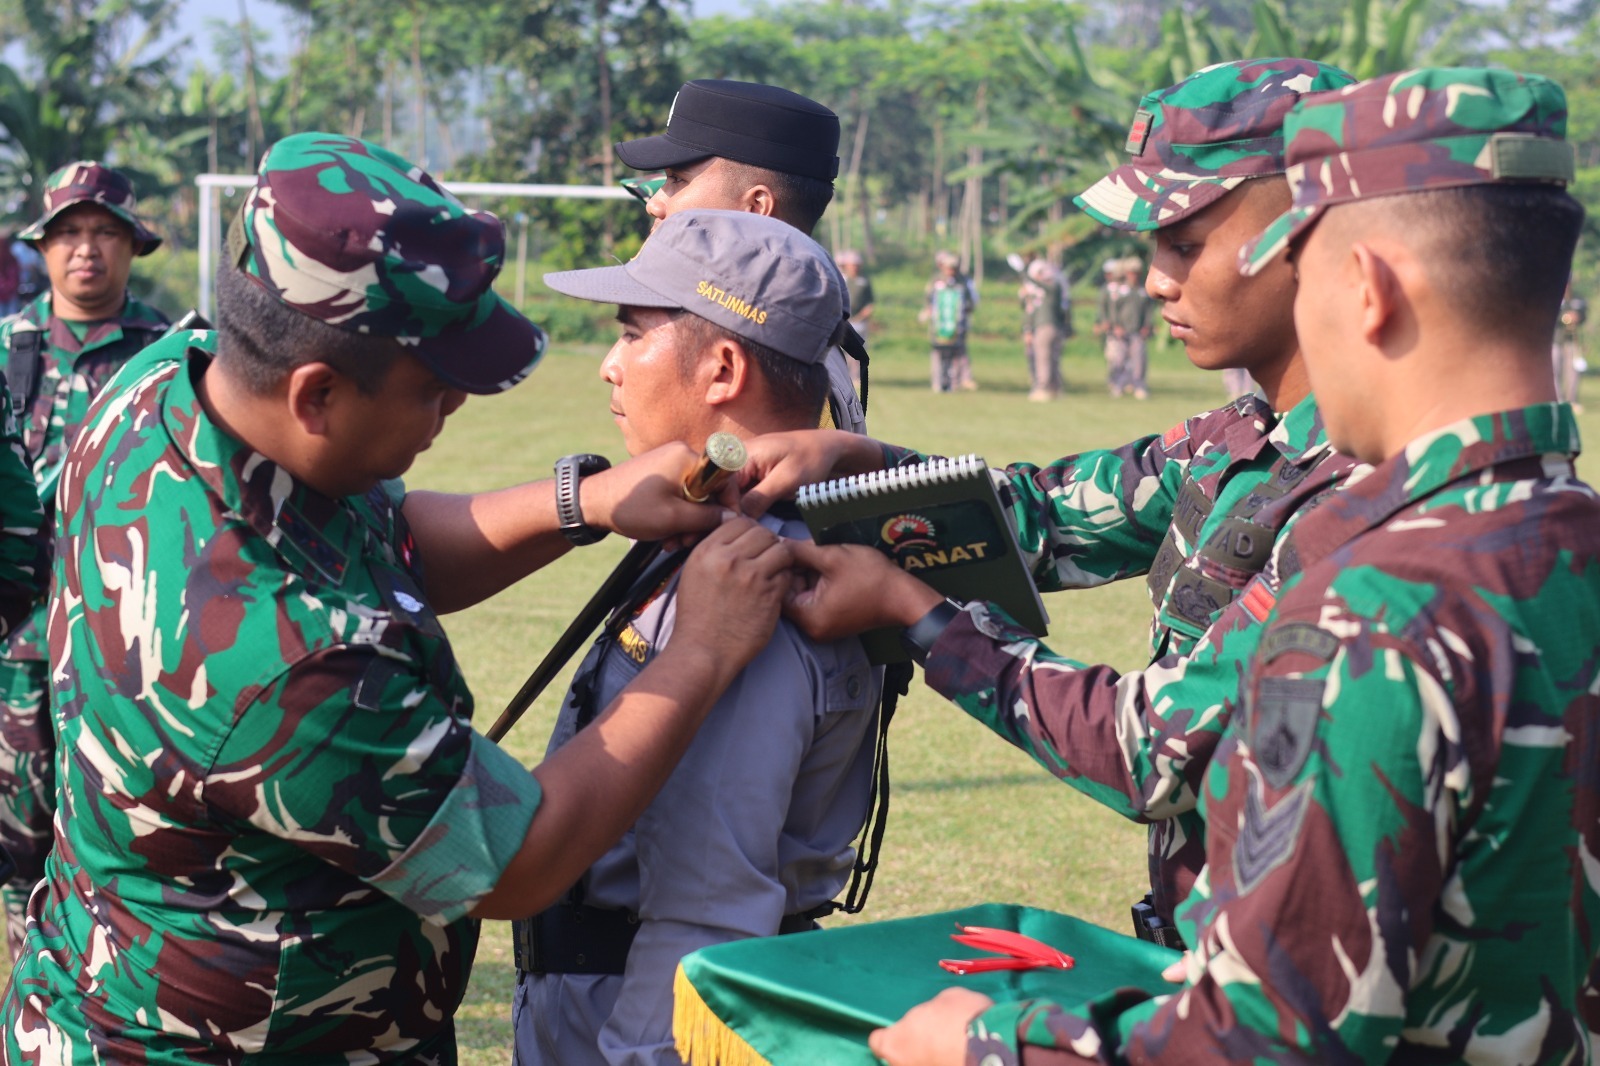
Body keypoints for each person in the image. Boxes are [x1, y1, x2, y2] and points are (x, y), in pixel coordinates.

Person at [0, 133, 797, 1064]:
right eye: (432, 389)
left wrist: (585, 502)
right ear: (317, 395)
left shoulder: (160, 391)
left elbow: (389, 538)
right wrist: (700, 649)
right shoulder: (287, 662)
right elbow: (523, 857)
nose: (455, 409)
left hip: (114, 986)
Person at [860, 65, 1599, 1066]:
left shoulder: (1374, 611)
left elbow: (1265, 1039)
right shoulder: (1561, 537)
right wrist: (862, 477)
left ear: (1364, 288)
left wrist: (988, 1044)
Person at [738, 58, 1359, 946]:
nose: (1154, 280)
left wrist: (920, 619)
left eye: (1185, 243)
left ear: (1311, 234)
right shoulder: (1245, 435)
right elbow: (1038, 515)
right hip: (1213, 954)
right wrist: (865, 459)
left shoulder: (1364, 488)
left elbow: (1158, 751)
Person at [512, 209, 881, 1066]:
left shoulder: (746, 586)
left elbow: (706, 905)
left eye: (632, 333)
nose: (609, 365)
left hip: (636, 1015)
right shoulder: (733, 540)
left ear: (721, 368)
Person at [0, 161, 174, 957]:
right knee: (15, 808)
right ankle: (27, 949)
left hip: (122, 628)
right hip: (18, 629)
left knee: (115, 801)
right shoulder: (7, 344)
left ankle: (102, 955)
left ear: (132, 244)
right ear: (45, 247)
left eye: (105, 231)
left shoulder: (171, 354)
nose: (87, 249)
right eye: (69, 233)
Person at [614, 78, 867, 436]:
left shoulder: (765, 370)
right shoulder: (788, 337)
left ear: (755, 207)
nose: (655, 203)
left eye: (677, 180)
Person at [923, 251, 977, 392]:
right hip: (939, 327)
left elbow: (971, 303)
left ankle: (953, 383)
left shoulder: (964, 282)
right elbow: (928, 301)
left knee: (956, 354)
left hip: (958, 326)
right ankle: (938, 382)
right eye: (949, 267)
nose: (951, 271)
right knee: (938, 353)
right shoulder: (935, 281)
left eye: (954, 268)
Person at [1019, 257, 1069, 401]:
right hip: (1045, 327)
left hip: (1046, 327)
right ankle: (1053, 388)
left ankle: (1044, 388)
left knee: (1044, 359)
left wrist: (1024, 273)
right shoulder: (1044, 291)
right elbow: (1026, 307)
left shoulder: (1053, 287)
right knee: (1050, 359)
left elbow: (1037, 284)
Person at [835, 248, 873, 385]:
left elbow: (870, 303)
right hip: (844, 321)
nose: (855, 267)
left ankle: (856, 377)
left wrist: (862, 316)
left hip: (860, 321)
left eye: (857, 265)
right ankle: (844, 376)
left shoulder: (865, 281)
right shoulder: (841, 280)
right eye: (852, 264)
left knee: (858, 350)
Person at [1554, 277, 1586, 411]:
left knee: (1572, 371)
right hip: (1556, 340)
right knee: (1555, 370)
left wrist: (1577, 317)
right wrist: (1563, 317)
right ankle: (1557, 400)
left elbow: (1584, 314)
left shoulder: (1578, 299)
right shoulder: (1554, 296)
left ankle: (1571, 400)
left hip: (1571, 341)